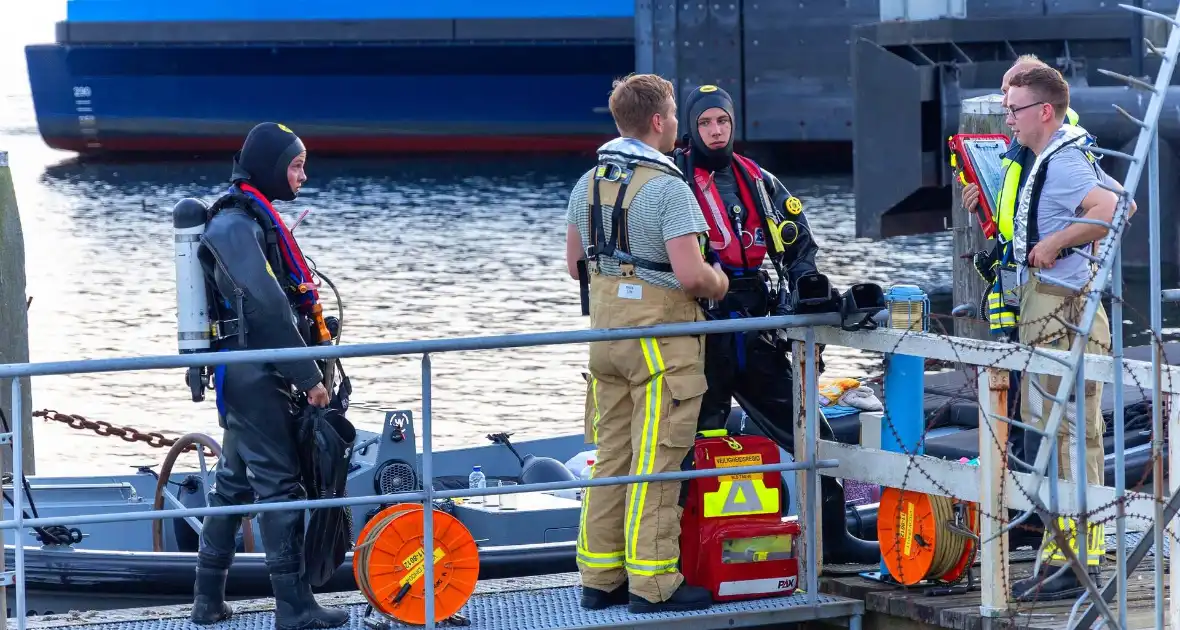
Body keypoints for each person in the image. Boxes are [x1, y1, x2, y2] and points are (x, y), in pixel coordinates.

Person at [670, 84, 879, 566]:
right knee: (693, 439)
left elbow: (799, 245)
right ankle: (684, 551)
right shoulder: (672, 184)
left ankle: (832, 535)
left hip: (757, 328)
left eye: (722, 121)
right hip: (701, 335)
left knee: (811, 430)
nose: (716, 131)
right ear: (691, 127)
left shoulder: (759, 182)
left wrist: (807, 280)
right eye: (705, 123)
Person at [565, 73, 728, 614]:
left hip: (605, 340)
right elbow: (689, 276)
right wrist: (720, 281)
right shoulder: (669, 188)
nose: (680, 125)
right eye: (677, 116)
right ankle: (653, 585)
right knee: (658, 462)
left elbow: (575, 267)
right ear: (659, 122)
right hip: (661, 347)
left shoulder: (586, 184)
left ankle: (599, 578)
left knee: (611, 457)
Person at [189, 122, 347, 629]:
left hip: (254, 372)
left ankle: (207, 600)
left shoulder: (251, 220)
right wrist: (308, 376)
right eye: (296, 165)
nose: (303, 175)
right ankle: (294, 606)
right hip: (257, 375)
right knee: (281, 489)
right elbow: (268, 306)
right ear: (270, 166)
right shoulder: (235, 224)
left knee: (234, 484)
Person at [1002, 66, 1133, 601]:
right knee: (1057, 432)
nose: (1008, 119)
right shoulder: (1055, 159)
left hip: (1062, 307)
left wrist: (1057, 242)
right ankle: (1066, 554)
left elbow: (1114, 208)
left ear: (1044, 112)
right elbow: (1117, 192)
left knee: (1071, 434)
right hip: (1049, 304)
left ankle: (1079, 561)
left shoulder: (1064, 162)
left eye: (1014, 109)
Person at [960, 54, 1085, 466]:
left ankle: (1043, 505)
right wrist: (984, 207)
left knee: (1048, 410)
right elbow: (1020, 217)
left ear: (1040, 103)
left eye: (1010, 98)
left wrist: (1056, 246)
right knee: (1020, 397)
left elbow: (1110, 209)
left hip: (1050, 288)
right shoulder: (1023, 148)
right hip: (1016, 286)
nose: (1003, 107)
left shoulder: (1062, 150)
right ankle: (1022, 491)